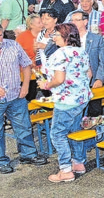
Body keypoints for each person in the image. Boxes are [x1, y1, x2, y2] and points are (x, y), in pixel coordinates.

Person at [0, 21, 48, 174]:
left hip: (16, 95)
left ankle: (28, 154)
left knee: (24, 126)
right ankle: (2, 161)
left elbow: (26, 65)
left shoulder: (13, 45)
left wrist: (25, 86)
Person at [39, 23, 92, 182]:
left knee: (57, 134)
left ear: (65, 37)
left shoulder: (60, 54)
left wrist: (46, 85)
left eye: (56, 34)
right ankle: (78, 162)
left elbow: (59, 79)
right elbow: (89, 73)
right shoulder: (81, 52)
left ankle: (66, 170)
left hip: (66, 100)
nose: (53, 37)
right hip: (81, 98)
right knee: (74, 130)